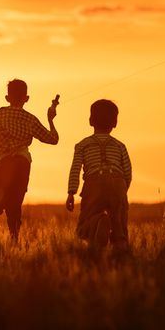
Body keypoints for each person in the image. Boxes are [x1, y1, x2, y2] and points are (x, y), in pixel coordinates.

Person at [0, 79, 59, 241]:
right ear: (26, 98)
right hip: (22, 162)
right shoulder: (30, 119)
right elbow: (53, 139)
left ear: (7, 98)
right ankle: (14, 238)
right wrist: (51, 119)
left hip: (2, 162)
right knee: (16, 202)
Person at [66, 99, 132, 253]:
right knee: (119, 223)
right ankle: (121, 250)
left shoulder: (82, 145)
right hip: (118, 182)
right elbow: (128, 171)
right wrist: (123, 190)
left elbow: (75, 169)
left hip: (94, 182)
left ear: (90, 121)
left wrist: (71, 192)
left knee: (86, 221)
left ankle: (97, 222)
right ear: (115, 123)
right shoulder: (119, 145)